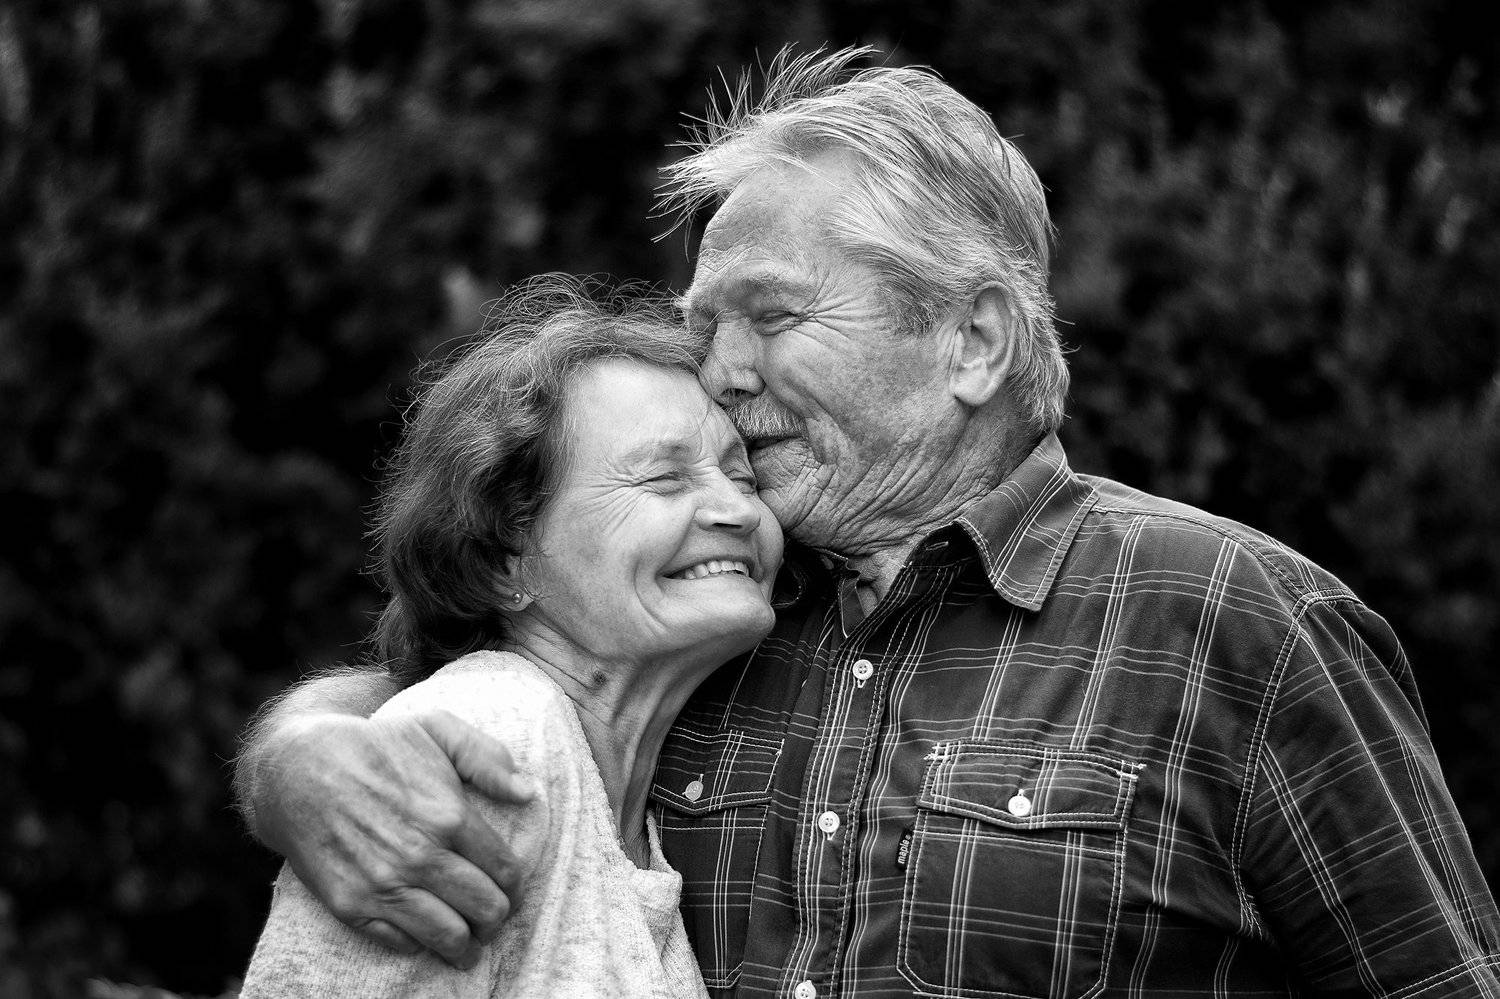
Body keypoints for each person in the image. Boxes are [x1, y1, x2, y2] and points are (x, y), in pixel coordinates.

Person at [235, 50, 1500, 997]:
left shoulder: (1236, 621)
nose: (721, 369)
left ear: (973, 342)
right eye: (703, 325)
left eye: (773, 317)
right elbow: (468, 676)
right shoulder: (711, 601)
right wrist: (301, 758)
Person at [238, 277, 782, 996]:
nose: (737, 510)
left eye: (744, 477)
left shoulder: (613, 792)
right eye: (663, 478)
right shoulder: (494, 739)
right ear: (506, 561)